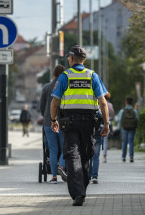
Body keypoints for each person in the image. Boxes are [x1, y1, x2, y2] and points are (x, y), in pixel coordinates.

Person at [50, 45, 110, 206]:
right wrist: (106, 123)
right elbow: (103, 102)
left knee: (71, 155)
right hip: (89, 122)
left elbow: (54, 102)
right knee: (85, 156)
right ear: (84, 60)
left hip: (69, 122)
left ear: (70, 59)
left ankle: (78, 192)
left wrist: (53, 120)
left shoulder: (65, 76)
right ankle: (81, 190)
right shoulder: (92, 76)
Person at [40, 64, 67, 184]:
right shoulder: (66, 86)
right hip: (62, 122)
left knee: (52, 149)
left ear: (54, 74)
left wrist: (46, 115)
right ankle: (61, 167)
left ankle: (54, 177)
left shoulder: (46, 87)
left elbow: (41, 105)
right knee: (65, 147)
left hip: (48, 121)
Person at [117, 95, 139, 163]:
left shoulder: (122, 111)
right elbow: (137, 119)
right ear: (132, 102)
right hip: (132, 128)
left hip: (124, 128)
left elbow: (119, 120)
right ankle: (131, 156)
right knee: (131, 142)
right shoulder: (135, 111)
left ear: (125, 102)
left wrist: (119, 127)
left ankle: (123, 157)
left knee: (124, 142)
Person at [89, 109, 103, 184]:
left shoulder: (88, 109)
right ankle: (94, 176)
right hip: (98, 135)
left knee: (89, 156)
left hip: (89, 134)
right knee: (96, 156)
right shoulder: (100, 111)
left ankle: (88, 175)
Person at [103, 93, 114, 163]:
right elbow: (112, 113)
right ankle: (104, 155)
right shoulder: (110, 105)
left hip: (99, 123)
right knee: (105, 141)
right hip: (108, 123)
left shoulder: (99, 104)